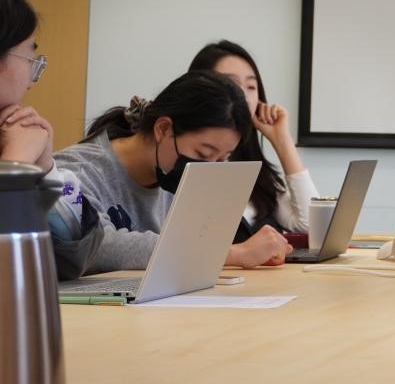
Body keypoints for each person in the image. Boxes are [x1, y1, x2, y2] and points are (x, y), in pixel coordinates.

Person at [54, 70, 293, 274]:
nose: (209, 168)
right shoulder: (70, 172)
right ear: (163, 129)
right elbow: (95, 245)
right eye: (203, 153)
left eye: (221, 159)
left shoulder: (174, 178)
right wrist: (231, 254)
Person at [0, 0, 103, 279]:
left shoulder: (11, 132)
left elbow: (79, 257)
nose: (32, 81)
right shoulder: (15, 146)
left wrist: (48, 171)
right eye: (29, 60)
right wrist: (15, 165)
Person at [189, 40, 318, 240]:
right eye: (232, 84)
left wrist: (282, 139)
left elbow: (312, 225)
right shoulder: (185, 158)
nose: (243, 94)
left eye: (251, 86)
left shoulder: (258, 172)